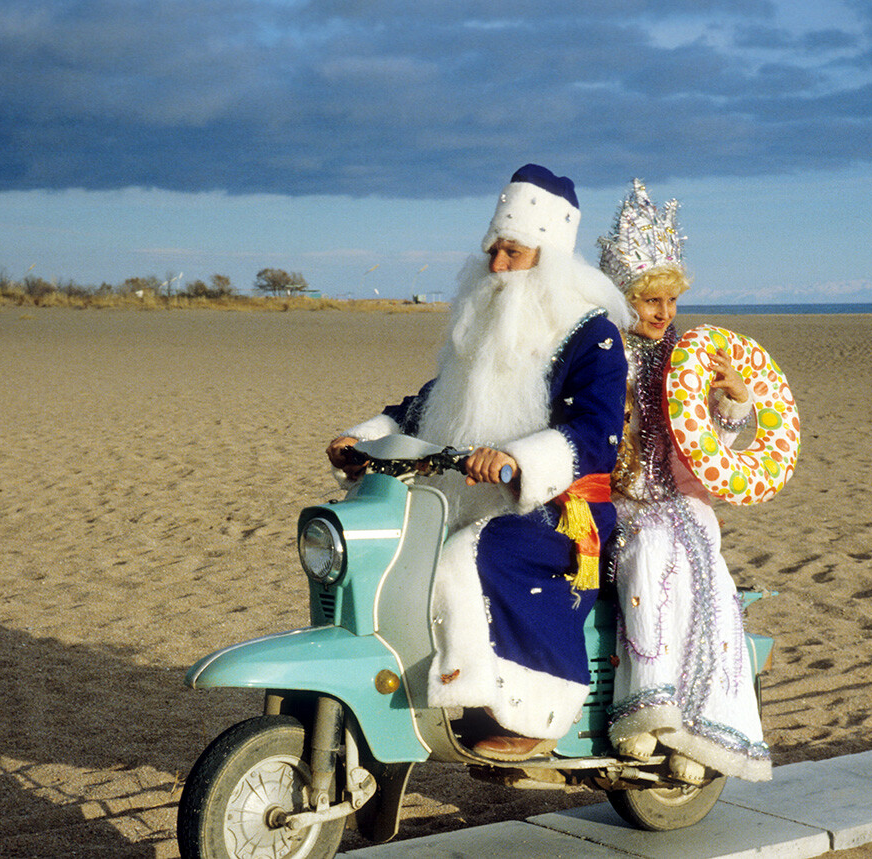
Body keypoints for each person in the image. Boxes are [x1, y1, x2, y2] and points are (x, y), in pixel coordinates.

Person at [327, 164, 630, 761]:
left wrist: (518, 459)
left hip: (566, 509)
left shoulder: (591, 335)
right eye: (494, 251)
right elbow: (427, 406)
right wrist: (366, 438)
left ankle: (536, 712)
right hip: (471, 495)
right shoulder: (484, 329)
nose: (497, 266)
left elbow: (598, 434)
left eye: (512, 253)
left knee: (476, 552)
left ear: (546, 257)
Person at [595, 179, 771, 782]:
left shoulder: (690, 359)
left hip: (679, 498)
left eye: (670, 302)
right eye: (649, 302)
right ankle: (650, 713)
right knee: (649, 552)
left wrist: (731, 401)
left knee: (709, 572)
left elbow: (709, 450)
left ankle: (698, 735)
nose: (663, 313)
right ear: (624, 299)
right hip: (622, 501)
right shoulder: (602, 358)